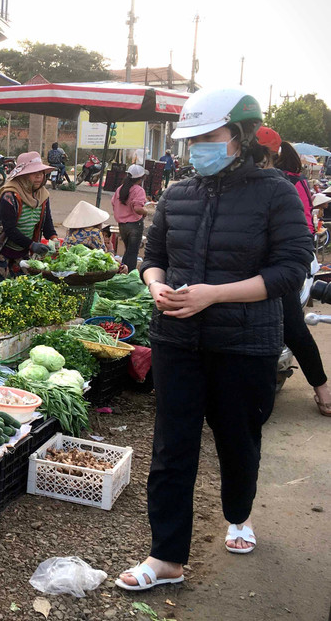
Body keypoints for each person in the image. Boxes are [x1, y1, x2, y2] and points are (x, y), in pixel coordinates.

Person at [117, 88, 313, 591]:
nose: (197, 147)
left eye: (209, 136)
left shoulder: (276, 193)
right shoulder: (180, 194)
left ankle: (239, 515)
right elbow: (151, 256)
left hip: (244, 345)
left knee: (237, 440)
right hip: (177, 339)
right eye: (193, 138)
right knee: (172, 447)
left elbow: (291, 270)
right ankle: (166, 558)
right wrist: (156, 285)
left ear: (240, 136)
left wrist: (214, 296)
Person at [258, 137, 331, 416]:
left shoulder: (289, 184)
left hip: (280, 266)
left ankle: (321, 388)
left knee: (293, 327)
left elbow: (300, 227)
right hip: (242, 268)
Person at [0, 151, 57, 281]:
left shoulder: (43, 196)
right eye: (34, 173)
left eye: (40, 173)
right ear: (22, 176)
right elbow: (9, 229)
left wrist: (54, 238)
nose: (39, 176)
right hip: (3, 250)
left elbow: (47, 222)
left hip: (23, 251)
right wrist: (31, 245)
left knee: (22, 290)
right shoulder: (9, 196)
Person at [111, 164, 149, 272]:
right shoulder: (139, 190)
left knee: (128, 251)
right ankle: (130, 273)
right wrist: (145, 211)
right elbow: (138, 208)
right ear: (141, 178)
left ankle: (123, 270)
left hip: (122, 225)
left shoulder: (120, 189)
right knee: (132, 252)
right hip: (134, 225)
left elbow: (113, 203)